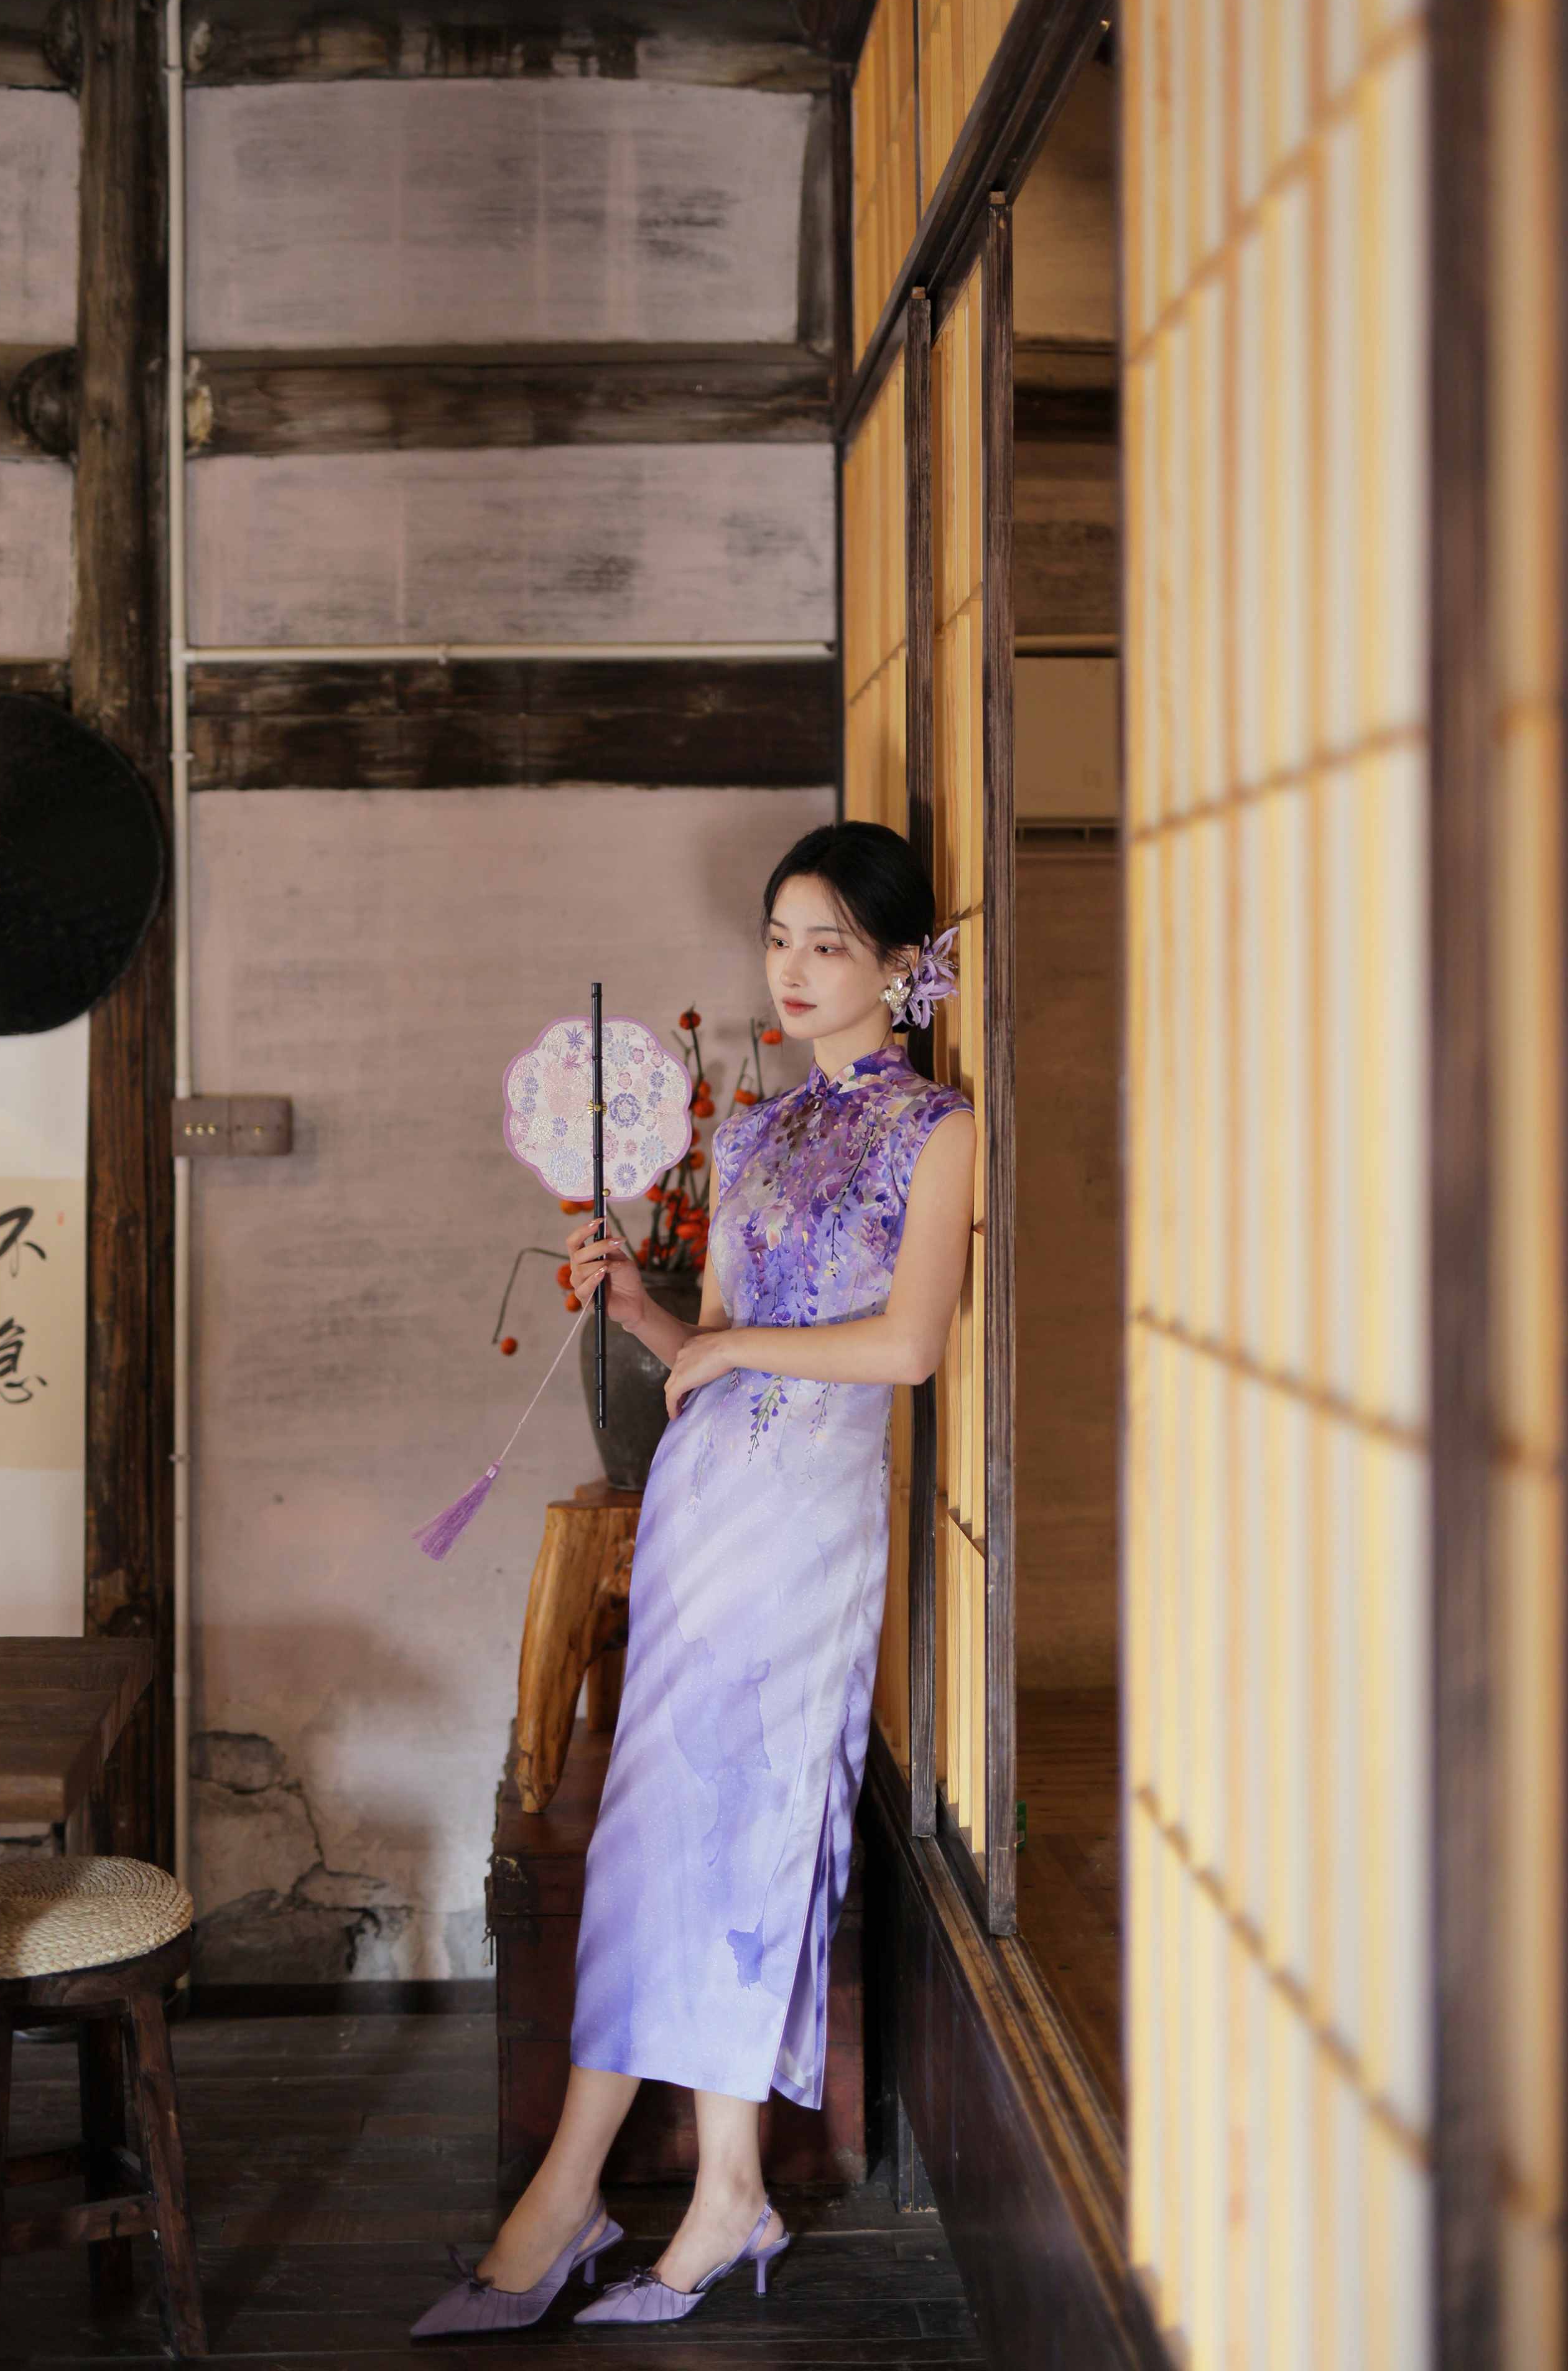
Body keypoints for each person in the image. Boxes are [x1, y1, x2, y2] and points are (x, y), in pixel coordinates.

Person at [412, 820, 976, 2337]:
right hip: (700, 1504)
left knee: (737, 1830)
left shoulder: (935, 1129)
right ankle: (706, 2192)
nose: (791, 970)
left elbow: (905, 1348)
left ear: (900, 967)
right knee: (659, 1831)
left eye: (828, 945)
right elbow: (709, 1348)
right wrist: (641, 1309)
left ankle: (589, 2195)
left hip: (803, 1528)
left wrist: (725, 1351)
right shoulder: (749, 1134)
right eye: (778, 939)